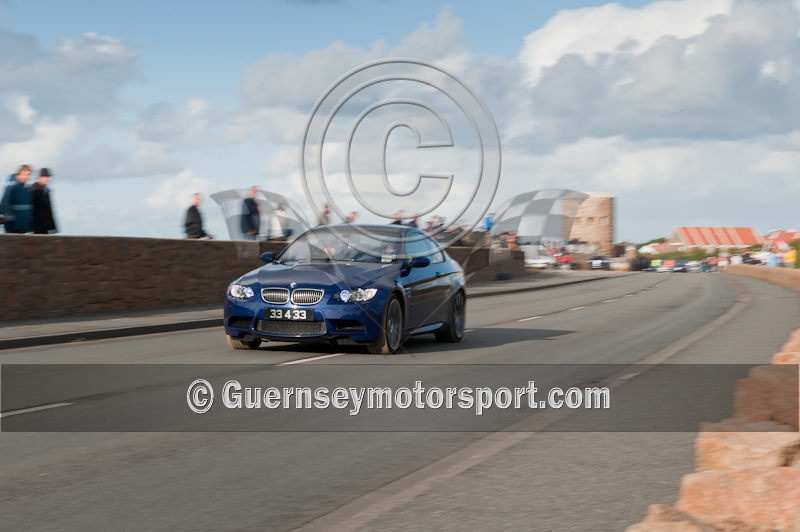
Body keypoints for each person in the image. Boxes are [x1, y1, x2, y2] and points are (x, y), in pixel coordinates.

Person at [1, 164, 34, 233]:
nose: (26, 177)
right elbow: (5, 202)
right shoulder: (11, 186)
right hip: (14, 225)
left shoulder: (27, 188)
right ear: (18, 175)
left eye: (28, 174)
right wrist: (8, 215)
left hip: (25, 225)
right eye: (24, 174)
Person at [31, 168, 58, 234]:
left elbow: (49, 211)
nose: (47, 179)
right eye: (44, 177)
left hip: (45, 227)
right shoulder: (33, 189)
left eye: (48, 177)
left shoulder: (46, 190)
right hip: (36, 227)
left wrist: (52, 228)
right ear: (39, 178)